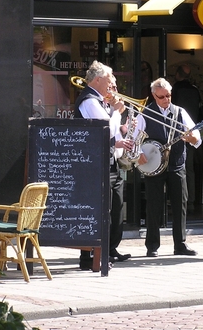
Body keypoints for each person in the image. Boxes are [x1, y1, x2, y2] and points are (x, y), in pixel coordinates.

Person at [74, 60, 133, 270]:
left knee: (113, 209)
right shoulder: (89, 101)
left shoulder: (99, 100)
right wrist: (117, 111)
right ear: (98, 80)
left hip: (108, 161)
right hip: (95, 164)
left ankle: (107, 251)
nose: (112, 85)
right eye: (110, 80)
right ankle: (91, 257)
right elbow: (105, 129)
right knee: (98, 211)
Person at [135, 77, 201, 257]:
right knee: (154, 206)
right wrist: (139, 153)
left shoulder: (180, 112)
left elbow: (197, 139)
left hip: (176, 165)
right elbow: (134, 140)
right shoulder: (145, 114)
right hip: (154, 167)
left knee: (180, 204)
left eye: (169, 96)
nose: (166, 100)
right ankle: (152, 246)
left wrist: (191, 138)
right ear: (154, 96)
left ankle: (180, 244)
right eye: (162, 96)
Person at [171, 64, 203, 213]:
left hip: (176, 133)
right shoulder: (195, 90)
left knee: (174, 167)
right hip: (192, 132)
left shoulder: (175, 89)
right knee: (189, 168)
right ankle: (190, 200)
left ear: (178, 74)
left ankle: (175, 200)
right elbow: (200, 110)